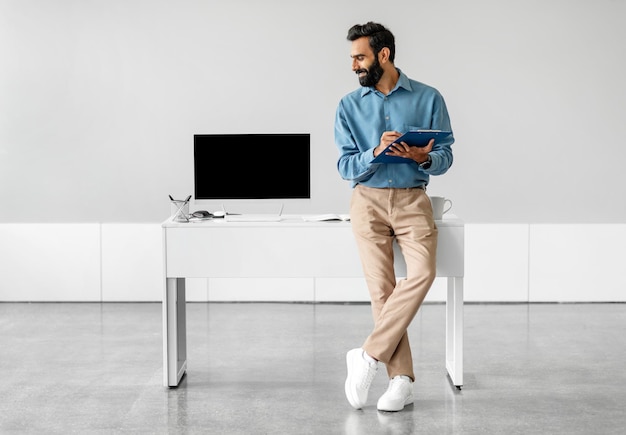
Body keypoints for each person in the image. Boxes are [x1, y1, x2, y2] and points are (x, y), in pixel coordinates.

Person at [334, 21, 454, 412]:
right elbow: (345, 166)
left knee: (423, 273)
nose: (354, 65)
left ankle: (367, 356)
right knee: (382, 292)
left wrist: (425, 157)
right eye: (353, 58)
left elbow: (446, 156)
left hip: (412, 199)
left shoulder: (429, 97)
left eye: (360, 57)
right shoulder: (348, 106)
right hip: (366, 200)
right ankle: (400, 381)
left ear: (383, 55)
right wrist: (374, 152)